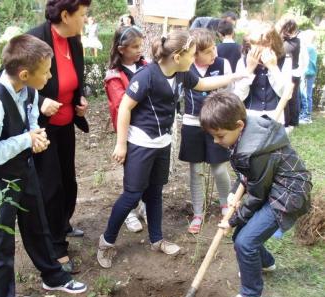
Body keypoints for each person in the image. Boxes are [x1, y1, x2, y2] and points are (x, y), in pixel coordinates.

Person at [97, 30, 245, 269]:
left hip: (162, 144)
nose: (194, 58)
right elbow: (124, 108)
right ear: (177, 56)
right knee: (132, 195)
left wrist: (239, 75)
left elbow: (204, 84)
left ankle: (157, 239)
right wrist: (121, 144)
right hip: (140, 145)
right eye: (191, 54)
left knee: (155, 192)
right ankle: (106, 241)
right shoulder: (146, 76)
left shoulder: (182, 74)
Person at [0, 34, 87, 297]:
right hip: (1, 181)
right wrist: (26, 139)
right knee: (2, 243)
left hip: (26, 170)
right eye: (46, 71)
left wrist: (35, 136)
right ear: (25, 73)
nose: (50, 76)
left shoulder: (29, 91)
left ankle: (52, 276)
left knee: (39, 225)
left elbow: (32, 119)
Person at [199, 90, 311, 297]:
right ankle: (265, 263)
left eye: (220, 135)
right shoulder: (247, 131)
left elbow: (257, 196)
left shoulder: (254, 151)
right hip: (272, 185)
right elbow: (249, 175)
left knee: (245, 242)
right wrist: (234, 191)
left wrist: (232, 221)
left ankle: (251, 295)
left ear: (239, 125)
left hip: (287, 195)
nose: (216, 140)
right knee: (245, 232)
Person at [26, 0, 92, 274]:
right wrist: (39, 100)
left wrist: (81, 98)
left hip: (65, 124)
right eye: (83, 14)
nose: (86, 20)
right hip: (43, 128)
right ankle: (55, 247)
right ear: (66, 15)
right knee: (50, 186)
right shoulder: (34, 40)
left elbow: (78, 77)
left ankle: (62, 223)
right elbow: (9, 82)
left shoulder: (74, 40)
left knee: (68, 181)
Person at [179, 28, 232, 234]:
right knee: (196, 170)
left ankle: (226, 206)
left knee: (219, 168)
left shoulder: (222, 64)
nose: (214, 55)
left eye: (214, 49)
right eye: (209, 51)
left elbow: (230, 94)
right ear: (196, 53)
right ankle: (198, 213)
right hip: (192, 124)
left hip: (216, 125)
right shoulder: (185, 67)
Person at [104, 25, 147, 233]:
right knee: (132, 176)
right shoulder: (114, 76)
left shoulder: (146, 66)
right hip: (129, 132)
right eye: (135, 47)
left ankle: (143, 207)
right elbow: (123, 104)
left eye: (141, 45)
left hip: (148, 131)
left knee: (147, 174)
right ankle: (129, 212)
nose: (140, 50)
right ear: (121, 49)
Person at [233, 22, 291, 125]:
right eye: (254, 44)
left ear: (273, 44)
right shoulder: (242, 62)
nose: (258, 48)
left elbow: (286, 93)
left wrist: (273, 68)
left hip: (275, 116)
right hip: (249, 117)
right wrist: (249, 70)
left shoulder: (284, 61)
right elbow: (238, 97)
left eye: (264, 44)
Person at [278, 18, 302, 128]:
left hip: (290, 73)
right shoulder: (295, 41)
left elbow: (282, 52)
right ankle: (292, 121)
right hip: (293, 72)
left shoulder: (291, 43)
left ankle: (290, 121)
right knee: (292, 97)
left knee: (289, 98)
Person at [298, 30, 317, 124]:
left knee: (305, 95)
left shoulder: (308, 48)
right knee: (305, 94)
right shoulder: (312, 48)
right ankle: (304, 113)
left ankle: (307, 117)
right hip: (309, 74)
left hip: (307, 74)